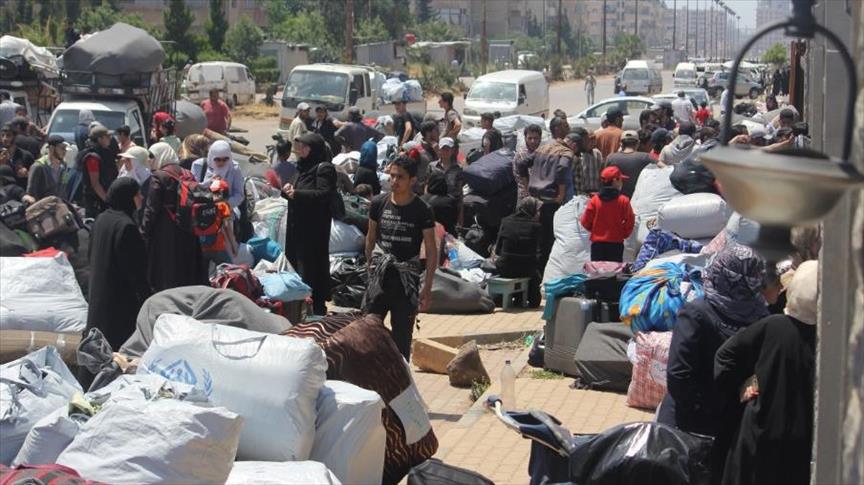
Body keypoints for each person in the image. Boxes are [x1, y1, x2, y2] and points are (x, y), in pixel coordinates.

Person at [658, 243, 775, 477]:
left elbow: (679, 374)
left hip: (687, 427)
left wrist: (701, 412)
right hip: (732, 426)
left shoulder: (697, 313)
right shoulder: (762, 318)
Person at [714, 260, 818, 485]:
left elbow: (725, 356)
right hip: (796, 443)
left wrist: (741, 387)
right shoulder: (823, 341)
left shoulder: (774, 325)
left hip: (760, 433)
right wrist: (741, 387)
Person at [364, 156, 437, 360]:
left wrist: (427, 286)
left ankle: (402, 377)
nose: (394, 181)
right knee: (368, 333)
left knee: (402, 340)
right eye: (392, 176)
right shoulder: (378, 203)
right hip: (380, 279)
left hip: (405, 283)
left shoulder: (423, 210)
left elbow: (431, 250)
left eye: (400, 177)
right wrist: (369, 267)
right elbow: (370, 238)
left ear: (412, 180)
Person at [86, 177, 151, 350]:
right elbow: (136, 270)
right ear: (128, 196)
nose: (141, 198)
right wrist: (147, 298)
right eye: (137, 194)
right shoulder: (126, 226)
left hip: (98, 296)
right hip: (118, 303)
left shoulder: (100, 219)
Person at [281, 133, 336, 316]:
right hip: (297, 227)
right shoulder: (301, 167)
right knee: (296, 264)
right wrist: (287, 190)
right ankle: (299, 306)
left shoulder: (324, 168)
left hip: (313, 229)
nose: (301, 149)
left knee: (311, 267)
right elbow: (293, 189)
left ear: (314, 149)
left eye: (305, 146)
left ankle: (315, 308)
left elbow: (324, 193)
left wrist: (297, 193)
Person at [141, 155, 208, 292]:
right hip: (189, 228)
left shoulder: (159, 176)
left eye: (152, 156)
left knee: (169, 273)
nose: (150, 160)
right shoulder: (187, 173)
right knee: (188, 270)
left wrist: (143, 232)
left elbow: (151, 209)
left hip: (167, 232)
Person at [517, 116, 573, 272]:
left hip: (535, 201)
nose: (568, 127)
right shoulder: (565, 151)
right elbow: (562, 169)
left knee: (536, 240)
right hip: (551, 202)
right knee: (548, 241)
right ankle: (544, 273)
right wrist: (561, 195)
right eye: (565, 125)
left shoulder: (542, 149)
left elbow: (522, 165)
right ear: (558, 129)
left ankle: (535, 272)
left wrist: (527, 188)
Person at [494, 196, 542, 308]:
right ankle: (523, 297)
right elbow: (537, 252)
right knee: (535, 298)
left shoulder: (505, 221)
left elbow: (498, 250)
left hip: (505, 266)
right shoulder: (535, 226)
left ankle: (504, 297)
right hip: (526, 269)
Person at [580, 166, 634, 262]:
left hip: (597, 245)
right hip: (616, 245)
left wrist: (595, 230)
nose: (622, 183)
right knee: (613, 270)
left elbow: (585, 221)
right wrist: (622, 234)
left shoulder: (594, 200)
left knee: (597, 270)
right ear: (615, 181)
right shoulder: (623, 201)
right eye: (620, 180)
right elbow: (630, 221)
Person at [76, 124, 117, 217]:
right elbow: (95, 184)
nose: (110, 139)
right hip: (96, 203)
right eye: (107, 136)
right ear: (99, 139)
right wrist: (108, 201)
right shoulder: (92, 157)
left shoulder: (104, 152)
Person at [192, 140, 244, 212]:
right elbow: (193, 189)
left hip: (225, 210)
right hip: (202, 209)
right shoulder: (199, 165)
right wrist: (210, 182)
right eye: (217, 159)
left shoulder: (234, 168)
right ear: (212, 156)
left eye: (225, 159)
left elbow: (239, 194)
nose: (221, 163)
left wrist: (225, 204)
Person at [201, 179, 238, 267]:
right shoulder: (223, 205)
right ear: (223, 192)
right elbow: (227, 227)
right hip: (217, 246)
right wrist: (234, 246)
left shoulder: (203, 205)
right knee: (230, 270)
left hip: (203, 247)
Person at [24, 135, 71, 203]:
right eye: (62, 148)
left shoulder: (64, 165)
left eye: (65, 148)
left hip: (60, 206)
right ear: (52, 148)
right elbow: (31, 193)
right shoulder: (38, 166)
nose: (64, 151)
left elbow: (64, 185)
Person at [606, 130, 654, 198]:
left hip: (615, 200)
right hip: (638, 199)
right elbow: (662, 168)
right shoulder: (646, 157)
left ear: (621, 144)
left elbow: (603, 178)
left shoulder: (610, 158)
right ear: (638, 143)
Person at [421, 170, 458, 235]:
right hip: (446, 236)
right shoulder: (450, 201)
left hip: (424, 235)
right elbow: (454, 220)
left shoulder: (421, 199)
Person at [1, 123, 35, 189]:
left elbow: (36, 176)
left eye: (8, 135)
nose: (4, 139)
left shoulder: (26, 156)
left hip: (21, 192)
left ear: (15, 137)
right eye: (2, 135)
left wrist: (27, 174)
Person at [514, 124, 542, 199]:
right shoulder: (521, 155)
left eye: (535, 138)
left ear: (540, 139)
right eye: (530, 138)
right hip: (526, 196)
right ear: (525, 138)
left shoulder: (542, 153)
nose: (532, 141)